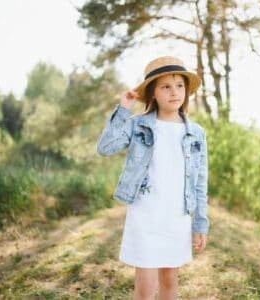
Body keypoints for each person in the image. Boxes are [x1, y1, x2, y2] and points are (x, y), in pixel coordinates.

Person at [97, 56, 209, 300]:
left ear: (186, 91)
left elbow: (200, 181)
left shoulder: (196, 133)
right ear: (153, 93)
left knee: (169, 281)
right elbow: (105, 147)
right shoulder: (138, 125)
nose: (174, 92)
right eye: (166, 87)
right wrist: (123, 109)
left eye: (179, 85)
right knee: (145, 287)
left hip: (177, 215)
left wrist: (200, 223)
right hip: (145, 213)